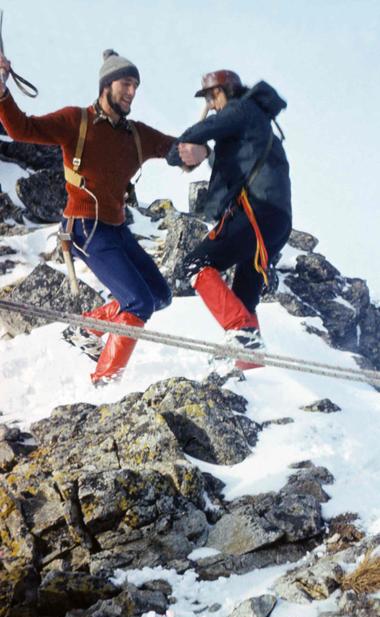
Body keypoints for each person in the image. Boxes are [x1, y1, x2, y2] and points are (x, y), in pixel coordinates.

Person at [0, 49, 176, 384]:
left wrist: (197, 148)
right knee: (138, 303)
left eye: (136, 86)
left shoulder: (134, 135)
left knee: (159, 296)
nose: (132, 92)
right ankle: (105, 380)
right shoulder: (75, 121)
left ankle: (87, 328)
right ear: (107, 84)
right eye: (126, 83)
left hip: (117, 229)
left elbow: (171, 147)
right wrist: (2, 92)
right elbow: (22, 129)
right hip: (84, 228)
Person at [167, 70, 292, 369]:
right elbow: (222, 163)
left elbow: (194, 136)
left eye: (213, 96)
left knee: (195, 264)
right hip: (276, 221)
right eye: (207, 98)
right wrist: (200, 153)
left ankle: (241, 332)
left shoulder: (241, 109)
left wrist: (180, 150)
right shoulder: (255, 125)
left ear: (229, 91)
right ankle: (250, 362)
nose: (211, 104)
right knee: (244, 295)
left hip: (257, 213)